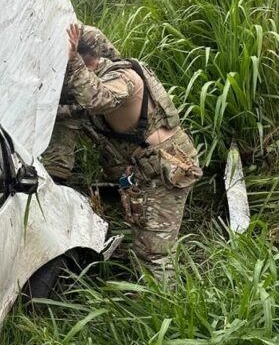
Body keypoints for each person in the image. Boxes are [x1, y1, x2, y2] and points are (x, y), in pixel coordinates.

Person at [62, 22, 202, 273]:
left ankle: (164, 306)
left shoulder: (122, 77)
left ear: (87, 60)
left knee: (155, 254)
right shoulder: (106, 74)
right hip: (150, 170)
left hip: (165, 169)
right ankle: (150, 293)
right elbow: (75, 109)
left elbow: (96, 100)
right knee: (145, 241)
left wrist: (72, 62)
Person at [42, 24, 121, 182]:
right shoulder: (44, 46)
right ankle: (56, 181)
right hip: (65, 102)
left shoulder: (91, 36)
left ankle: (119, 178)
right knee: (57, 163)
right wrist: (59, 110)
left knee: (112, 148)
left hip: (94, 94)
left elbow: (117, 64)